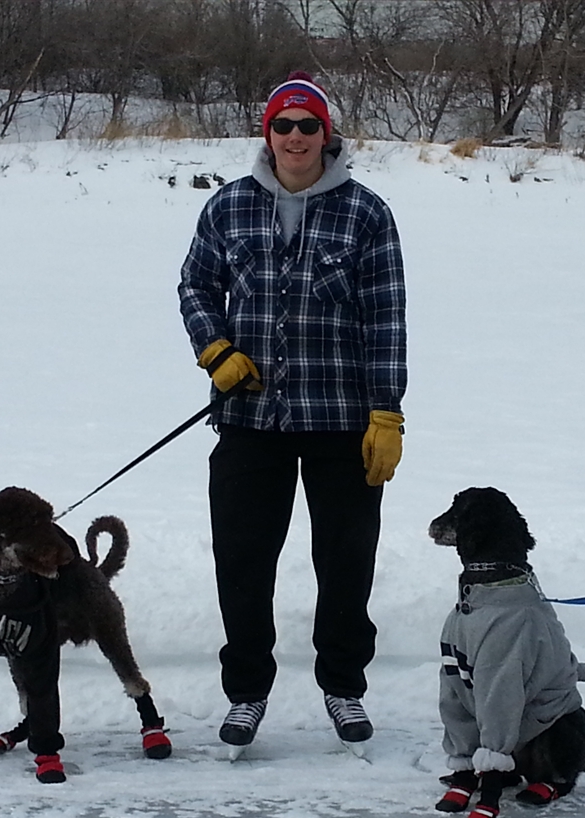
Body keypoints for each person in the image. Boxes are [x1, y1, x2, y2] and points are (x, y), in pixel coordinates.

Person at [178, 72, 407, 752]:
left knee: (346, 561)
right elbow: (195, 285)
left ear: (326, 135)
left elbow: (386, 319)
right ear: (266, 132)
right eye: (285, 125)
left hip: (341, 419)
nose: (297, 138)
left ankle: (343, 686)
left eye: (310, 126)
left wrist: (386, 412)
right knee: (243, 563)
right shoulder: (228, 208)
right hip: (250, 420)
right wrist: (215, 350)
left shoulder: (366, 213)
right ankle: (247, 692)